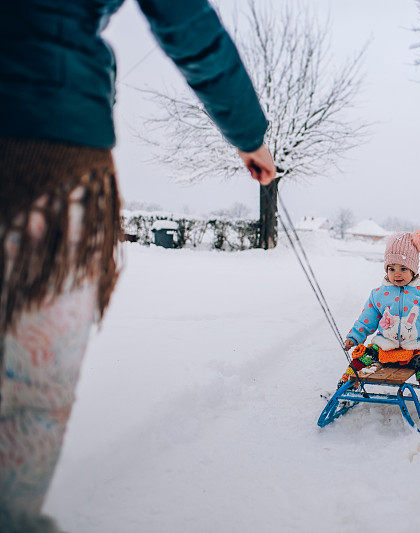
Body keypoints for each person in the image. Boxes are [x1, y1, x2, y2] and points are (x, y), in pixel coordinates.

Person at [0, 1, 276, 530]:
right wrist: (250, 137)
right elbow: (189, 27)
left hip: (54, 134)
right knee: (32, 396)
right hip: (53, 153)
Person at [339, 230, 420, 423]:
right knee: (362, 358)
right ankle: (345, 388)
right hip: (384, 347)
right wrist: (354, 337)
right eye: (391, 268)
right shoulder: (379, 294)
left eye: (403, 268)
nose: (397, 274)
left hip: (415, 349)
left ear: (413, 269)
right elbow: (366, 319)